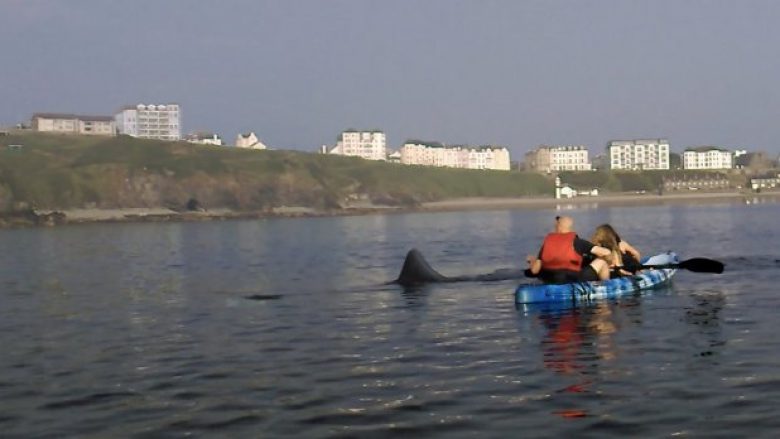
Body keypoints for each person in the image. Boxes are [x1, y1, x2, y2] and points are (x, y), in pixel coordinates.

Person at [526, 216, 612, 284]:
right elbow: (606, 252)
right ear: (571, 227)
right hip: (572, 280)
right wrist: (610, 261)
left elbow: (534, 270)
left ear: (557, 227)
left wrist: (532, 262)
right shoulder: (577, 242)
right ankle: (607, 286)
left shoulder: (547, 243)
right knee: (602, 261)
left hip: (551, 279)